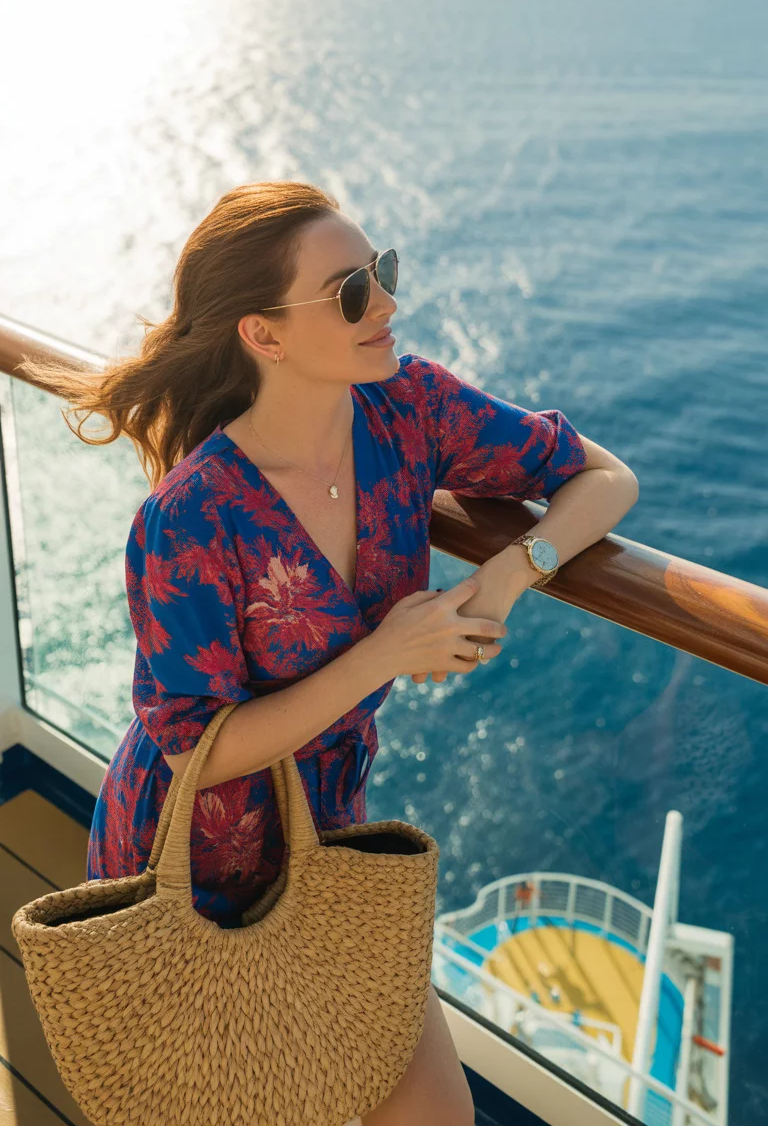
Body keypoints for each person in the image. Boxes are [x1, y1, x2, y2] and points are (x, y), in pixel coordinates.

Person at [22, 181, 633, 1125]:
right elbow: (196, 746)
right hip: (186, 861)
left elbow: (603, 477)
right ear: (262, 336)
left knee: (435, 1114)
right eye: (352, 291)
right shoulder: (191, 517)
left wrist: (508, 578)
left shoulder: (408, 408)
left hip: (328, 834)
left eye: (381, 272)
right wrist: (388, 653)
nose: (387, 304)